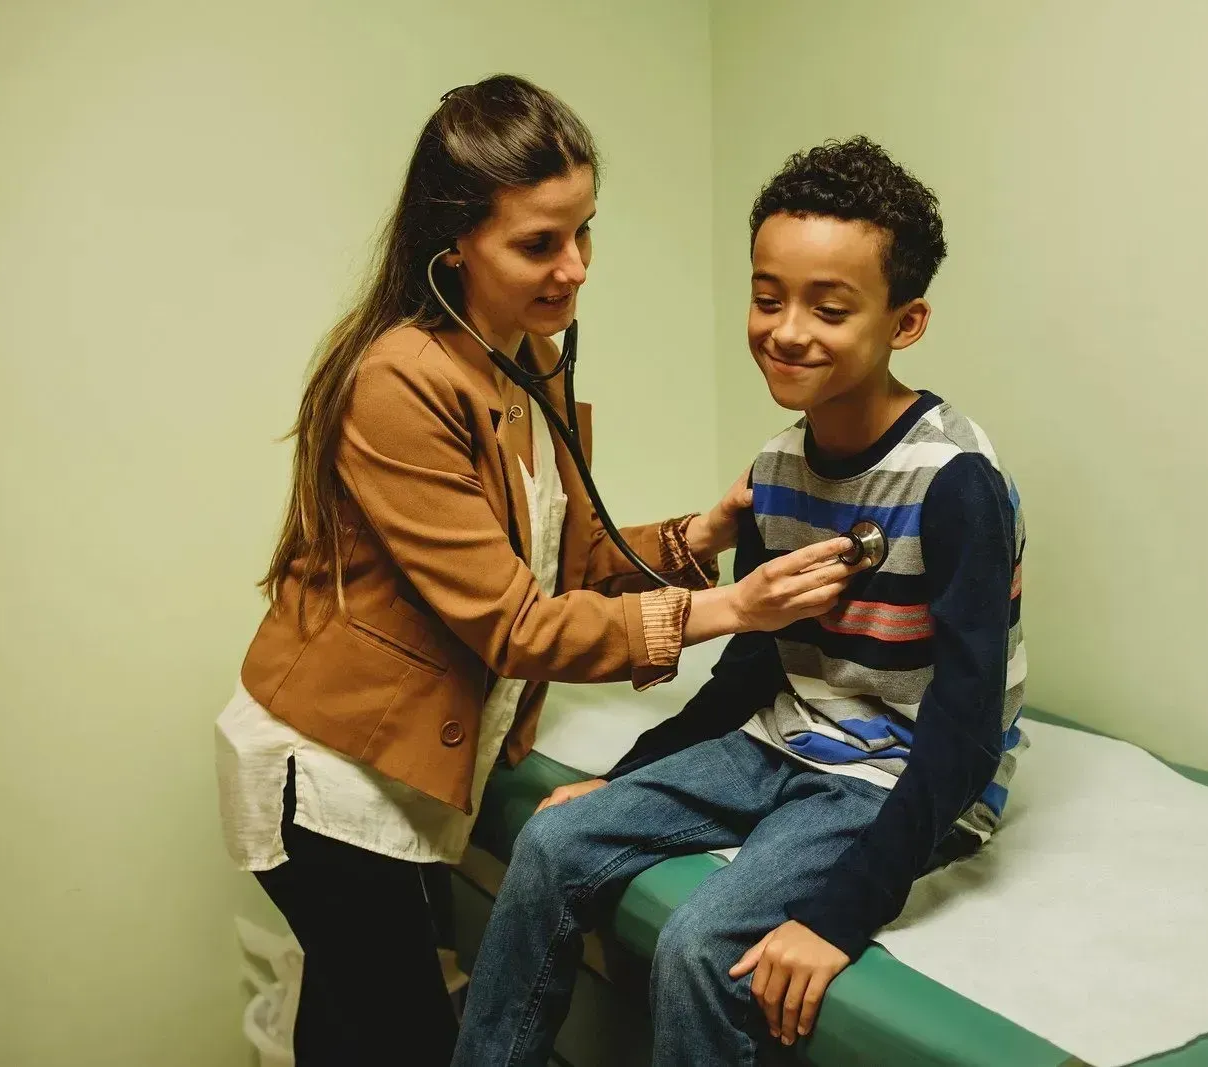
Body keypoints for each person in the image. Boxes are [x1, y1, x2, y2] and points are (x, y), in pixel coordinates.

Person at [212, 74, 860, 1066]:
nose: (575, 268)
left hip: (399, 776)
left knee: (354, 1022)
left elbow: (575, 556)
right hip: (331, 780)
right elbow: (515, 621)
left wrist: (711, 526)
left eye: (584, 231)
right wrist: (729, 608)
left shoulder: (525, 358)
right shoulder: (400, 378)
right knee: (403, 1034)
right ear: (454, 241)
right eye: (538, 243)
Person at [452, 136, 1030, 1066]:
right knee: (554, 837)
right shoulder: (775, 467)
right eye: (768, 298)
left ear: (906, 321)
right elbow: (757, 660)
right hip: (783, 735)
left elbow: (963, 735)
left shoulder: (955, 482)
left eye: (829, 307)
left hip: (895, 774)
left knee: (698, 944)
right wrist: (633, 774)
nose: (787, 329)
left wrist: (839, 919)